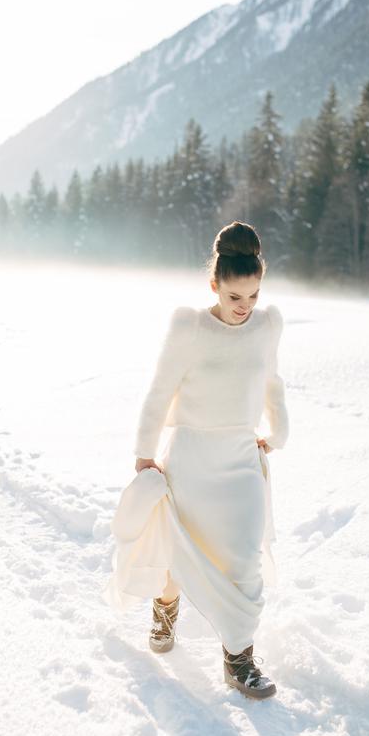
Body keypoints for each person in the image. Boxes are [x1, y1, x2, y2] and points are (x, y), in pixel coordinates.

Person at [133, 220, 289, 700]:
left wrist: (277, 433)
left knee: (243, 556)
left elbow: (271, 381)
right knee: (183, 548)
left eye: (253, 296)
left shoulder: (267, 324)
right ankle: (165, 609)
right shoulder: (190, 326)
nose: (244, 308)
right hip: (191, 457)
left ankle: (238, 660)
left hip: (241, 455)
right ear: (214, 284)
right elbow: (160, 392)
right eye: (235, 297)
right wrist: (144, 453)